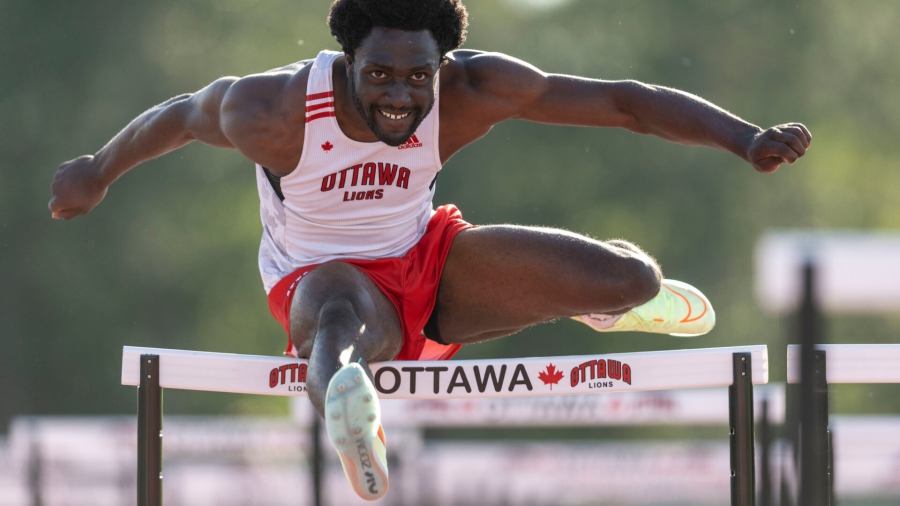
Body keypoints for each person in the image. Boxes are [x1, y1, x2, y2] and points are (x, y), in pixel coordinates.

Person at [48, 0, 810, 500]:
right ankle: (351, 416)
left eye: (417, 77)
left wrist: (744, 138)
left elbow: (624, 102)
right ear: (345, 60)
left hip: (431, 260)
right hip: (319, 281)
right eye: (377, 74)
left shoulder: (472, 90)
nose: (398, 97)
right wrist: (96, 171)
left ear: (443, 68)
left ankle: (611, 305)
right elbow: (178, 117)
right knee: (340, 312)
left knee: (630, 277)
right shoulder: (270, 109)